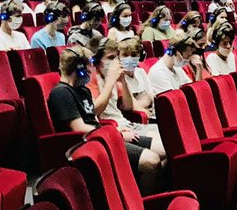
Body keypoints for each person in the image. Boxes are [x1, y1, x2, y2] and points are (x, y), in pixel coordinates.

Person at [47, 46, 162, 192]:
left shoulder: (83, 90)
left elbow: (93, 116)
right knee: (152, 161)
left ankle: (136, 189)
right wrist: (116, 134)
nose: (91, 72)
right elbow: (79, 128)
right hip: (93, 143)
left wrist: (115, 131)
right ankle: (139, 198)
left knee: (166, 149)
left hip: (104, 136)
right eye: (88, 67)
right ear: (79, 68)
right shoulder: (61, 93)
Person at [91, 38, 166, 189]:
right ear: (98, 60)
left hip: (128, 124)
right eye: (110, 58)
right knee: (165, 149)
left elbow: (127, 106)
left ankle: (150, 188)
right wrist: (110, 81)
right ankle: (141, 192)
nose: (115, 62)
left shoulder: (114, 77)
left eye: (116, 57)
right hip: (113, 129)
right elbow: (94, 111)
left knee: (172, 141)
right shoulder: (92, 79)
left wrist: (122, 81)